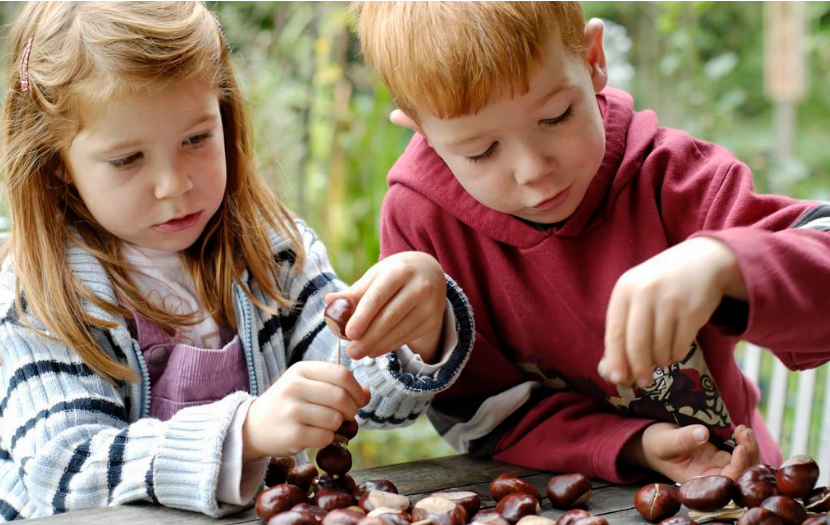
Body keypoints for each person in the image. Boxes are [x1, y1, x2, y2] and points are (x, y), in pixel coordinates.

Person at [0, 2, 475, 521]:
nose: (174, 184)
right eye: (128, 159)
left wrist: (411, 332)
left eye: (197, 139)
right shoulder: (41, 299)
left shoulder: (271, 251)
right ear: (57, 164)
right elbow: (63, 473)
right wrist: (244, 431)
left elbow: (363, 392)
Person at [353, 1, 830, 485]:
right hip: (572, 495)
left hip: (742, 482)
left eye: (557, 116)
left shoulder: (675, 179)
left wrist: (725, 263)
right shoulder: (423, 224)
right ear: (423, 132)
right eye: (482, 151)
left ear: (594, 59)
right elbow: (477, 414)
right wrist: (633, 446)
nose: (534, 170)